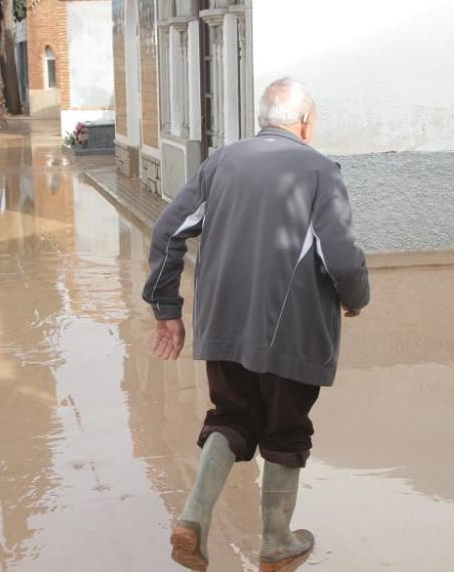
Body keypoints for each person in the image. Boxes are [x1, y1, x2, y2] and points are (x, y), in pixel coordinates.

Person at [142, 78, 371, 571]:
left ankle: (192, 521)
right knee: (286, 429)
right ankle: (276, 543)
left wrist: (167, 309)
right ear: (306, 123)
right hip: (293, 332)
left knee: (230, 415)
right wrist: (356, 300)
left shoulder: (220, 162)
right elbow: (344, 260)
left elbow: (167, 231)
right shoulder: (319, 170)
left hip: (222, 325)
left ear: (263, 120)